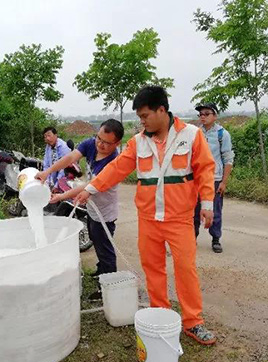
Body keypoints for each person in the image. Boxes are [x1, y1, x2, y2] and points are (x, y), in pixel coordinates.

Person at [75, 86, 218, 345]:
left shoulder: (191, 135)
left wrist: (207, 203)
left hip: (180, 218)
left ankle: (193, 322)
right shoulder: (138, 142)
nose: (141, 121)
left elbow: (206, 169)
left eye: (144, 116)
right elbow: (116, 169)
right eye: (139, 117)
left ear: (161, 110)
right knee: (153, 269)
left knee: (186, 269)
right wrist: (90, 189)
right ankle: (161, 315)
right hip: (149, 218)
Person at [36, 120, 124, 277]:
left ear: (117, 143)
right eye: (99, 138)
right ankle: (101, 271)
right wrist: (46, 172)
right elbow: (70, 158)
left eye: (106, 143)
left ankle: (109, 281)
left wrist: (62, 196)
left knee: (105, 249)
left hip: (104, 212)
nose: (100, 144)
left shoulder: (113, 163)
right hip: (91, 207)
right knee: (95, 240)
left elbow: (89, 186)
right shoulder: (91, 144)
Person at [194, 103, 234, 253]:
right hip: (197, 179)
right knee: (194, 210)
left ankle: (216, 239)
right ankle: (193, 237)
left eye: (206, 113)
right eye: (200, 114)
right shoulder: (196, 133)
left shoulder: (222, 134)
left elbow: (228, 159)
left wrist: (224, 182)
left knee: (215, 210)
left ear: (215, 116)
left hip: (215, 178)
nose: (203, 116)